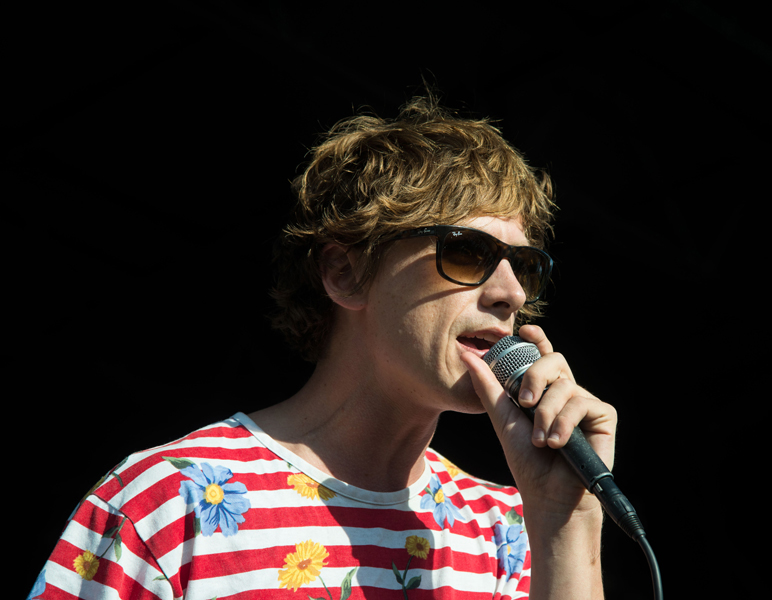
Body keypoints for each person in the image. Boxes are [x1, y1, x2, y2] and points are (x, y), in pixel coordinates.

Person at [30, 93, 617, 599]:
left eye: (524, 265)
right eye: (467, 252)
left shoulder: (512, 533)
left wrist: (566, 521)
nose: (512, 293)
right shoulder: (165, 503)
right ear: (345, 273)